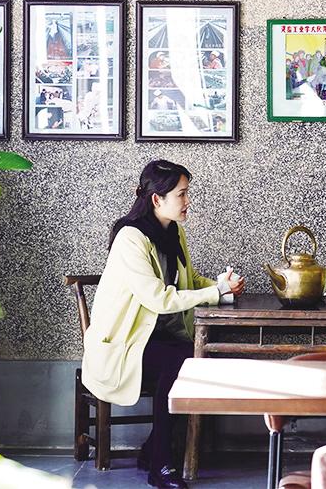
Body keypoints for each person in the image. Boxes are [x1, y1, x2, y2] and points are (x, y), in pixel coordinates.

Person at [81, 160, 245, 489]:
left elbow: (188, 280)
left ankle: (152, 450)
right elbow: (158, 298)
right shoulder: (130, 238)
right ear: (157, 199)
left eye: (187, 193)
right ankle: (161, 465)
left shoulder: (173, 231)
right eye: (182, 194)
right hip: (124, 345)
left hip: (155, 339)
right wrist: (215, 293)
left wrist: (221, 286)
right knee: (181, 360)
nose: (188, 201)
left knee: (194, 357)